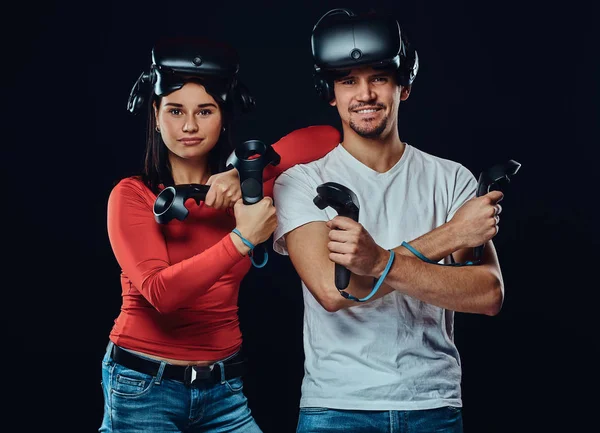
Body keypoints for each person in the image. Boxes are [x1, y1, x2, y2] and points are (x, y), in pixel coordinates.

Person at [272, 8, 506, 433]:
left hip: (432, 405)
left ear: (404, 85)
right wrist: (450, 236)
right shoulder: (302, 182)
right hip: (336, 406)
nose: (365, 94)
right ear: (330, 92)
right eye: (348, 80)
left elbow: (488, 294)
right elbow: (333, 290)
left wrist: (378, 264)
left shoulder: (452, 179)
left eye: (379, 77)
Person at [99, 36, 339, 433]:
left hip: (224, 388)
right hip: (143, 386)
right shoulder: (132, 195)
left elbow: (327, 137)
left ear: (224, 116)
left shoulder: (245, 190)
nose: (189, 126)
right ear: (156, 114)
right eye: (175, 111)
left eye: (205, 111)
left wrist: (246, 172)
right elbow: (161, 293)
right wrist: (241, 239)